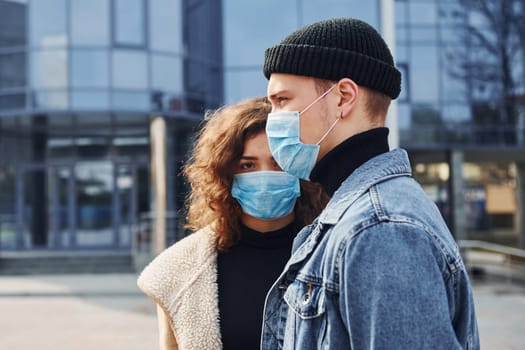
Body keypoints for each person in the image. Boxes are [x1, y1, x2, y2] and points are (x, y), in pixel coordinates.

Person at [260, 18, 480, 349]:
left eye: (282, 101)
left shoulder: (380, 228)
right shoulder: (358, 213)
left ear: (343, 97)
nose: (271, 120)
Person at [137, 97, 328, 350]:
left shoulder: (333, 253)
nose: (264, 176)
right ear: (224, 174)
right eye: (247, 165)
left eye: (278, 163)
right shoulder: (178, 273)